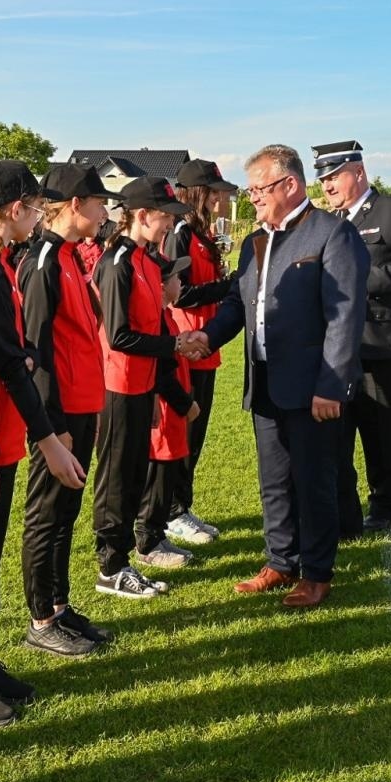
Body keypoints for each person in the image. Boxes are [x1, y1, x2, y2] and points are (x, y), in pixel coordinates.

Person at [187, 144, 369, 609]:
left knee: (314, 480)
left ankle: (317, 573)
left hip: (313, 387)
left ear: (290, 184)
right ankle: (280, 560)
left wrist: (331, 386)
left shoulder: (333, 234)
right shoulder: (256, 240)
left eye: (259, 189)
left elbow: (345, 317)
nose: (253, 198)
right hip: (265, 380)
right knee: (274, 480)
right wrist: (208, 336)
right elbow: (238, 302)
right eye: (250, 191)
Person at [0, 160, 88, 720]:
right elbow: (5, 363)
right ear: (13, 209)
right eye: (34, 207)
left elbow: (11, 349)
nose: (38, 216)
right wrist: (49, 438)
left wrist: (21, 356)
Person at [314, 140, 391, 534]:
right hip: (337, 348)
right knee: (336, 435)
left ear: (359, 172)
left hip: (383, 345)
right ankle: (344, 513)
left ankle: (386, 508)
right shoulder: (328, 222)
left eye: (335, 176)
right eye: (323, 179)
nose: (328, 185)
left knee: (383, 435)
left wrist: (363, 281)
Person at [17, 163, 115, 658]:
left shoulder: (70, 256)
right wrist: (52, 428)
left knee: (64, 515)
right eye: (99, 203)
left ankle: (58, 604)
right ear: (75, 204)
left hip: (81, 407)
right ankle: (41, 618)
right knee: (46, 515)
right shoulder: (43, 262)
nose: (104, 212)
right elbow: (35, 351)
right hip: (58, 416)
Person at [92, 175, 201, 593]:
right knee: (116, 480)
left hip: (141, 385)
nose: (170, 225)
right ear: (141, 215)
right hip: (118, 386)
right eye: (165, 216)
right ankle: (110, 566)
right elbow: (119, 335)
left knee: (135, 476)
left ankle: (125, 558)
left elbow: (149, 327)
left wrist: (160, 380)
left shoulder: (144, 260)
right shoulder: (116, 262)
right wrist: (174, 344)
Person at [162, 158, 239, 545]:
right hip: (187, 344)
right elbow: (180, 293)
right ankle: (172, 511)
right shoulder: (179, 232)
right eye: (214, 193)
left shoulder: (201, 233)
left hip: (205, 344)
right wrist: (227, 287)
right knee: (183, 430)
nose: (219, 200)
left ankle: (182, 504)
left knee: (197, 432)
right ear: (198, 193)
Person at [136, 253, 200, 563]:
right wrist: (185, 404)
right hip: (164, 410)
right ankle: (148, 542)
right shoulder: (155, 319)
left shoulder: (166, 315)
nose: (181, 282)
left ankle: (158, 534)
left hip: (172, 411)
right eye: (176, 277)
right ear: (161, 286)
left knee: (168, 471)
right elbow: (161, 371)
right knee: (158, 477)